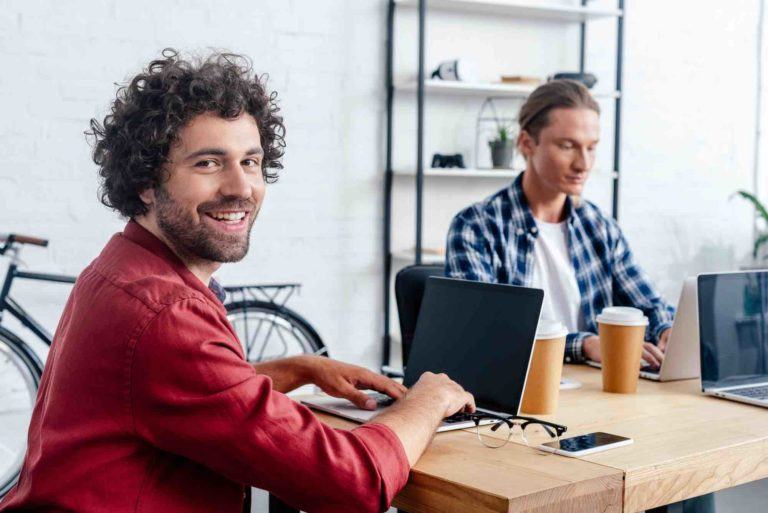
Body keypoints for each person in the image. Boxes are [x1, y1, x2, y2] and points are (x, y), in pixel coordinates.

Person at [0, 49, 474, 513]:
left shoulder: (123, 267)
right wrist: (428, 402)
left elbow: (176, 397)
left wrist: (299, 368)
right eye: (208, 163)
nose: (240, 187)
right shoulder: (165, 312)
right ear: (146, 182)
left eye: (250, 161)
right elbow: (350, 485)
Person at [445, 79, 714, 513]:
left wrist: (667, 332)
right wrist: (585, 343)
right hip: (522, 414)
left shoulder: (597, 226)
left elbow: (647, 301)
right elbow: (487, 339)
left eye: (592, 147)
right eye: (567, 146)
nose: (583, 162)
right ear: (527, 143)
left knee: (690, 472)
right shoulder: (477, 226)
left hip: (597, 404)